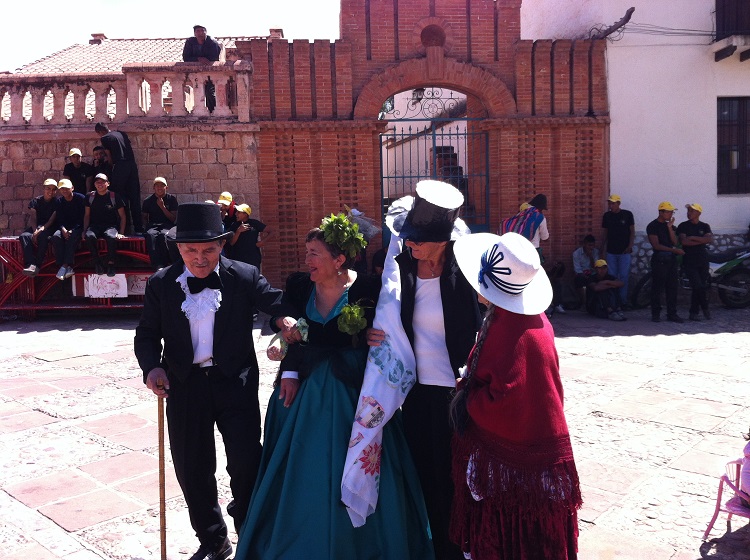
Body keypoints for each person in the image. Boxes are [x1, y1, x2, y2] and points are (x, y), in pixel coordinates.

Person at [234, 214, 433, 560]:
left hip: (355, 389)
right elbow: (288, 323)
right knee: (303, 469)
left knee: (362, 457)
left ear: (339, 260)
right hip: (305, 388)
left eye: (314, 253)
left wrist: (376, 336)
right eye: (307, 251)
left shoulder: (369, 288)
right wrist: (288, 363)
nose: (307, 259)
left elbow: (391, 327)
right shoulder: (299, 285)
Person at [134, 202, 291, 560]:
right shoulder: (161, 284)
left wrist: (283, 321)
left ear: (222, 245)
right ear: (178, 248)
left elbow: (276, 303)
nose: (199, 258)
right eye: (191, 250)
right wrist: (151, 369)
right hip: (184, 385)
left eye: (208, 249)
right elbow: (146, 335)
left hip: (234, 383)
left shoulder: (245, 276)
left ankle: (249, 531)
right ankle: (213, 537)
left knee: (246, 462)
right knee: (192, 466)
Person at [364, 180, 482, 560]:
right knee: (422, 475)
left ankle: (458, 549)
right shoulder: (402, 270)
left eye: (416, 239)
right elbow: (385, 313)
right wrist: (372, 331)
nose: (408, 244)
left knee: (455, 478)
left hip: (457, 395)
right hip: (416, 394)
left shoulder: (465, 276)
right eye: (407, 237)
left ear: (443, 240)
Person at [449, 231, 582, 560]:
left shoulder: (510, 329)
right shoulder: (526, 319)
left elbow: (507, 400)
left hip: (518, 458)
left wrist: (468, 397)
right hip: (543, 441)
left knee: (514, 533)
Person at [95, 122, 142, 233]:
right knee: (134, 197)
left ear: (99, 132)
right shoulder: (121, 134)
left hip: (120, 166)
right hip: (132, 165)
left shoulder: (105, 138)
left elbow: (109, 156)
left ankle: (125, 228)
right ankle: (139, 228)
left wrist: (111, 167)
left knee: (118, 196)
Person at [646, 201, 685, 323]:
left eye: (671, 212)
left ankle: (672, 314)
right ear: (661, 212)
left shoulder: (671, 226)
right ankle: (655, 314)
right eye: (668, 211)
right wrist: (673, 250)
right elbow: (656, 245)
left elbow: (674, 241)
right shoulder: (652, 226)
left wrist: (669, 228)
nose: (671, 214)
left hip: (671, 260)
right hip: (660, 260)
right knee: (657, 287)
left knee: (672, 288)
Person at [82, 173, 126, 277]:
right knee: (89, 236)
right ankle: (97, 262)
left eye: (102, 182)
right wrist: (84, 230)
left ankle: (111, 264)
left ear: (108, 183)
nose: (99, 184)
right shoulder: (90, 197)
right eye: (97, 182)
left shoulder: (114, 196)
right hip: (95, 226)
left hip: (110, 226)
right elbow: (87, 215)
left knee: (111, 237)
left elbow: (123, 216)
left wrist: (121, 233)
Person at [677, 203, 713, 321]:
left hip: (702, 260)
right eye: (688, 211)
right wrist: (701, 240)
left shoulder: (705, 226)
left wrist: (692, 237)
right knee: (697, 286)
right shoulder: (683, 226)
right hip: (689, 260)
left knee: (700, 286)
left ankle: (694, 313)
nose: (689, 213)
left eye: (692, 211)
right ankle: (705, 308)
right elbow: (684, 242)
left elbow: (709, 239)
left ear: (698, 213)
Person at [601, 194, 635, 307]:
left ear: (619, 204)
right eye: (610, 203)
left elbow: (632, 232)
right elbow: (605, 233)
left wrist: (630, 246)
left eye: (613, 203)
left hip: (624, 252)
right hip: (611, 251)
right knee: (612, 276)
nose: (611, 205)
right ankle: (613, 301)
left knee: (624, 276)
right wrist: (603, 248)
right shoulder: (607, 216)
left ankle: (623, 301)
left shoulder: (627, 215)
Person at [20, 178, 58, 276]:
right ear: (44, 189)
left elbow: (51, 220)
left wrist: (40, 231)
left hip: (49, 227)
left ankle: (37, 265)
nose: (50, 191)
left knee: (43, 237)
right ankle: (30, 264)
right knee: (24, 236)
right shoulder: (35, 201)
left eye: (53, 189)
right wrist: (34, 231)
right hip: (36, 226)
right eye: (48, 188)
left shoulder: (57, 202)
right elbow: (33, 218)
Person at [50, 179, 86, 280]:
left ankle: (64, 265)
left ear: (72, 188)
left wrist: (73, 229)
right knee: (56, 236)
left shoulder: (80, 198)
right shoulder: (59, 201)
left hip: (78, 227)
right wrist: (63, 229)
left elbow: (83, 217)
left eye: (66, 188)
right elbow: (59, 218)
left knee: (73, 236)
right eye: (62, 189)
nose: (64, 191)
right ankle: (65, 266)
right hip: (64, 228)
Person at [183, 25, 222, 112]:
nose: (200, 33)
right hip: (195, 73)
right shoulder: (190, 42)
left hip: (209, 72)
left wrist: (204, 60)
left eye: (202, 31)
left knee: (210, 92)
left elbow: (213, 59)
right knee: (198, 90)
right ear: (194, 33)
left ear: (206, 32)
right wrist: (198, 58)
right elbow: (186, 58)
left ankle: (212, 112)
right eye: (197, 31)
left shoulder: (212, 43)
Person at [142, 177, 179, 270]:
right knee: (151, 235)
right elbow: (144, 217)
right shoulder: (148, 201)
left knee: (164, 236)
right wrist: (145, 227)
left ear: (166, 187)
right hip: (153, 225)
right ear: (153, 188)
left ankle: (167, 263)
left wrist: (162, 207)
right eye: (157, 186)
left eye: (162, 185)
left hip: (167, 225)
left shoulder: (171, 199)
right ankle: (157, 265)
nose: (159, 188)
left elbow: (173, 218)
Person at [228, 203, 271, 269]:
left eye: (239, 212)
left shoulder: (254, 223)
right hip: (238, 260)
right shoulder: (234, 225)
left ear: (245, 214)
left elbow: (271, 232)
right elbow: (231, 243)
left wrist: (262, 242)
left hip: (253, 259)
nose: (236, 214)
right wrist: (238, 231)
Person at [572, 234, 600, 306]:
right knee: (579, 279)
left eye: (592, 245)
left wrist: (591, 257)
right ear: (584, 244)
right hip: (582, 275)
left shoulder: (595, 252)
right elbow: (577, 270)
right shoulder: (577, 254)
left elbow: (597, 267)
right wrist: (585, 275)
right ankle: (583, 303)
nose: (591, 247)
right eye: (589, 245)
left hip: (593, 274)